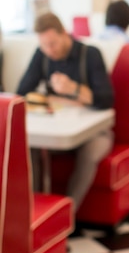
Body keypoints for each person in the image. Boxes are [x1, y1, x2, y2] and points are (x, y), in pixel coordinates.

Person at [17, 12, 114, 210]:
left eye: (53, 43)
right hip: (58, 128)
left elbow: (106, 100)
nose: (49, 50)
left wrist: (73, 89)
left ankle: (68, 215)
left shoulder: (90, 54)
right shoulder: (42, 54)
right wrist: (55, 99)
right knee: (28, 146)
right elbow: (22, 92)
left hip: (94, 132)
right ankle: (36, 211)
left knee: (89, 154)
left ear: (64, 34)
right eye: (44, 45)